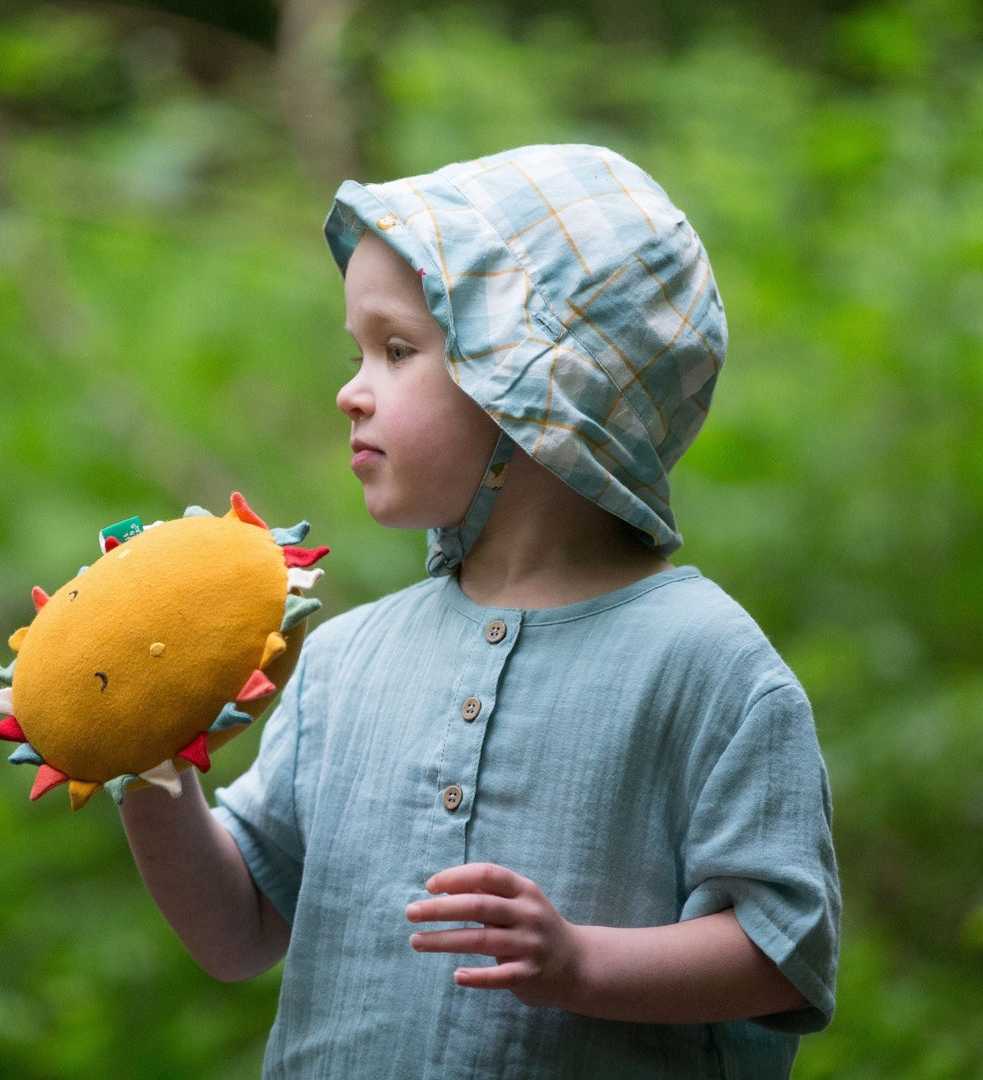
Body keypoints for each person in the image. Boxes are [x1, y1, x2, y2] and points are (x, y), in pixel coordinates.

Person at [119, 144, 840, 1078]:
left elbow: (785, 953)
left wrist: (583, 962)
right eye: (359, 352)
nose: (350, 388)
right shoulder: (344, 658)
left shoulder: (707, 664)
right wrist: (144, 759)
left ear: (537, 388)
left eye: (398, 349)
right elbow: (238, 931)